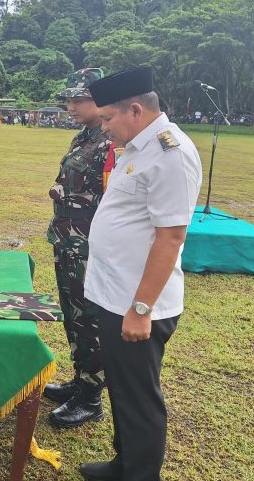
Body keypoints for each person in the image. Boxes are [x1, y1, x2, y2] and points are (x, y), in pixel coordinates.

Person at [79, 67, 202, 481]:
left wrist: (142, 308)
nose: (104, 127)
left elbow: (171, 237)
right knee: (122, 387)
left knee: (138, 396)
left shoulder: (171, 154)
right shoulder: (138, 147)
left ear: (135, 109)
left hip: (138, 303)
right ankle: (124, 464)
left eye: (107, 118)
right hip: (117, 295)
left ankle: (140, 474)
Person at [43, 75, 113, 429]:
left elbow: (110, 198)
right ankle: (79, 380)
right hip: (67, 241)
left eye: (77, 100)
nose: (70, 106)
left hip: (88, 245)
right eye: (67, 100)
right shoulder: (84, 137)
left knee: (89, 319)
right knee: (73, 316)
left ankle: (91, 398)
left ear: (98, 100)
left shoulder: (110, 142)